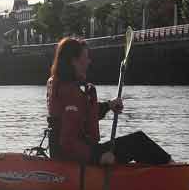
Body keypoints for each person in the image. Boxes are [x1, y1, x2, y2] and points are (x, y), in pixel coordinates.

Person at [46, 37, 172, 165]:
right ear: (74, 61)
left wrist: (108, 106)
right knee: (137, 142)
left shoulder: (65, 87)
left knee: (136, 143)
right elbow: (68, 142)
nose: (89, 62)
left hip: (79, 153)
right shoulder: (69, 93)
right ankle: (173, 169)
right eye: (85, 57)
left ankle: (167, 167)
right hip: (78, 157)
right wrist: (97, 157)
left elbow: (83, 114)